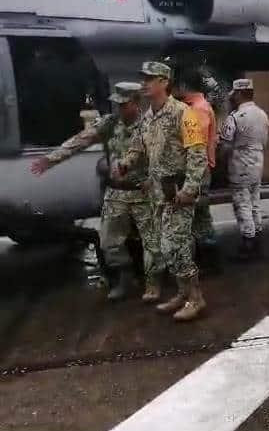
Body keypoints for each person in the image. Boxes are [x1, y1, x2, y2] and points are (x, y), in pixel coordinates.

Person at [31, 82, 164, 302]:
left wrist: (156, 181)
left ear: (137, 102)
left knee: (151, 242)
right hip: (116, 193)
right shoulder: (110, 124)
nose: (119, 109)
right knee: (109, 242)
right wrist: (50, 159)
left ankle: (153, 283)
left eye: (124, 104)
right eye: (117, 105)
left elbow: (165, 157)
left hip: (143, 192)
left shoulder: (152, 126)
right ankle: (124, 277)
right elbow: (79, 141)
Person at [117, 61, 210, 322]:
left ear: (164, 82)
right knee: (167, 248)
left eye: (150, 79)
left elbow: (197, 153)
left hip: (178, 193)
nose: (145, 83)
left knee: (176, 247)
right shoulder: (148, 117)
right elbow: (138, 147)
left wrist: (191, 189)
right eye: (143, 78)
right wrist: (125, 163)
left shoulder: (184, 113)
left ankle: (196, 298)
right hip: (158, 194)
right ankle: (182, 293)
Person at [175, 69, 221, 274]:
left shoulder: (198, 109)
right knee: (201, 218)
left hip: (198, 171)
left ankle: (209, 263)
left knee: (198, 218)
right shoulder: (197, 106)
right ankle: (210, 262)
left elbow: (197, 145)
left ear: (185, 86)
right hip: (200, 170)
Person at [219, 78, 269, 260]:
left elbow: (225, 145)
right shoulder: (263, 114)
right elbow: (264, 141)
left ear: (239, 94)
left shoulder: (235, 117)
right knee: (255, 201)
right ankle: (258, 238)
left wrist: (221, 163)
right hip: (258, 161)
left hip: (240, 163)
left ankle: (248, 242)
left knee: (242, 203)